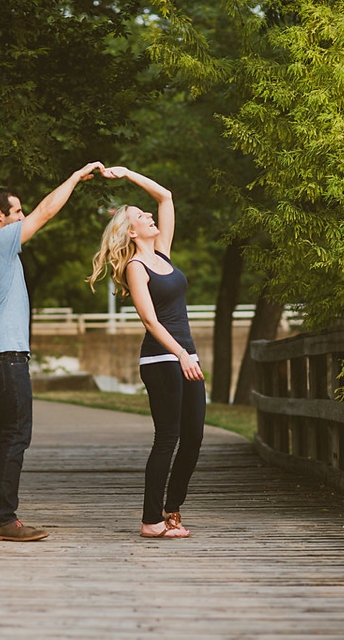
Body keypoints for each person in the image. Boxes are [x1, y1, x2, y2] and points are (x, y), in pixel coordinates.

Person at [0, 161, 104, 542]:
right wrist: (74, 176)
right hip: (8, 356)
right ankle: (4, 519)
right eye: (17, 211)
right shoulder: (1, 243)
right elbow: (47, 211)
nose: (23, 216)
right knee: (15, 434)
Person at [87, 166, 205, 538]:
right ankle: (152, 520)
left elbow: (166, 196)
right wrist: (181, 354)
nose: (149, 216)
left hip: (185, 355)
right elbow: (151, 322)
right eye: (141, 216)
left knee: (195, 437)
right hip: (161, 358)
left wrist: (127, 175)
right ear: (131, 231)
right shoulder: (136, 267)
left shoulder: (163, 256)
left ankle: (172, 509)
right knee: (168, 437)